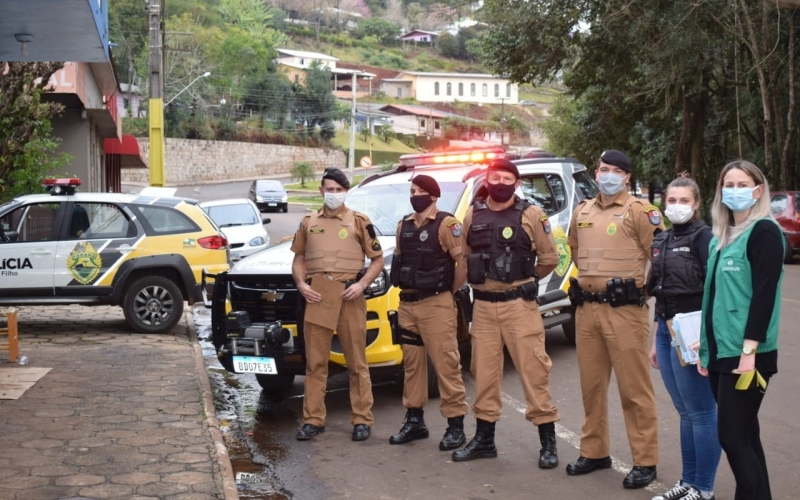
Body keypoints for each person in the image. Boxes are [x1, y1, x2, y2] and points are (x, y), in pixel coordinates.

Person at [453, 158, 561, 469]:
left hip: (519, 306)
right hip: (484, 307)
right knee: (483, 374)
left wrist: (524, 280)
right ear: (486, 180)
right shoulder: (473, 214)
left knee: (533, 372)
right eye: (493, 177)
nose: (499, 182)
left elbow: (549, 258)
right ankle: (485, 440)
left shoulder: (531, 214)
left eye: (505, 177)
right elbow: (466, 256)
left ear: (516, 183)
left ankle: (548, 442)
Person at [566, 149, 663, 489]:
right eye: (602, 168)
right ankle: (594, 451)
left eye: (614, 170)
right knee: (591, 387)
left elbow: (661, 259)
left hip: (625, 312)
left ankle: (645, 460)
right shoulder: (583, 211)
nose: (606, 175)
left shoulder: (641, 212)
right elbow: (575, 250)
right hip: (587, 311)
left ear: (626, 177)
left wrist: (641, 292)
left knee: (633, 390)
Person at [698, 160, 783, 500]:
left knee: (732, 438)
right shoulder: (720, 238)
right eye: (727, 184)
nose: (733, 190)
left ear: (758, 190)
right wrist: (707, 350)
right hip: (722, 352)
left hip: (747, 355)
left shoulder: (763, 232)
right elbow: (714, 298)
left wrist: (749, 352)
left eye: (741, 183)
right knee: (746, 436)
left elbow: (763, 297)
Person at [290, 167, 385, 442]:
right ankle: (313, 419)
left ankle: (362, 419)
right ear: (321, 190)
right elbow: (298, 258)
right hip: (319, 296)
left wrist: (362, 284)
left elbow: (377, 259)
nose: (333, 194)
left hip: (349, 296)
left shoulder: (359, 221)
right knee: (316, 363)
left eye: (338, 190)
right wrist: (301, 284)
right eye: (329, 189)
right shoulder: (308, 221)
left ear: (346, 191)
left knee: (357, 363)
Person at [646, 176, 721, 500]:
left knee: (702, 412)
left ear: (697, 204)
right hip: (666, 330)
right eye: (671, 201)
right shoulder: (661, 239)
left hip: (694, 333)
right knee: (686, 412)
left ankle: (703, 489)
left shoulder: (706, 238)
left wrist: (708, 339)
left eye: (683, 201)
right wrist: (655, 339)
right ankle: (688, 482)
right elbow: (658, 293)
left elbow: (718, 292)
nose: (677, 206)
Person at [388, 174, 470, 451]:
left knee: (446, 365)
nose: (415, 195)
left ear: (434, 196)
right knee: (412, 366)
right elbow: (400, 259)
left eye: (421, 191)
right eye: (412, 190)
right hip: (407, 305)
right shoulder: (404, 226)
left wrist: (449, 291)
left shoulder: (447, 224)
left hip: (436, 304)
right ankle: (415, 421)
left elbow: (462, 264)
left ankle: (455, 426)